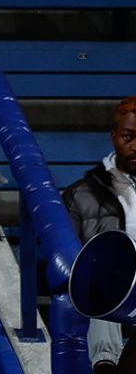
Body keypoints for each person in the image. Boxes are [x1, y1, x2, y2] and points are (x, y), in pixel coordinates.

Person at [63, 96, 136, 374]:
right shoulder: (82, 192)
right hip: (109, 283)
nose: (135, 146)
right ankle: (105, 364)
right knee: (103, 284)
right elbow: (69, 253)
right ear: (113, 137)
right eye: (128, 136)